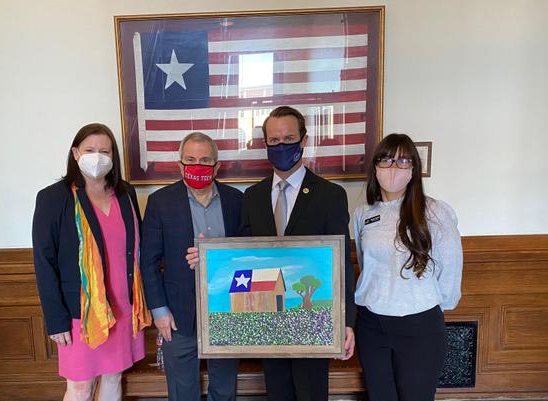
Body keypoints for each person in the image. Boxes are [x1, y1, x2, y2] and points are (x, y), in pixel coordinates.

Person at [239, 106, 356, 401]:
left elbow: (341, 264)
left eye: (289, 138)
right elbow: (243, 258)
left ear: (303, 140)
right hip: (268, 316)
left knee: (311, 394)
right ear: (265, 144)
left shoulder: (330, 195)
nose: (281, 146)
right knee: (277, 393)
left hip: (314, 316)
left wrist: (347, 321)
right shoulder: (252, 197)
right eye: (274, 141)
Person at [32, 123, 151, 401]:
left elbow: (137, 248)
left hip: (123, 308)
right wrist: (55, 319)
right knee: (81, 387)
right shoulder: (53, 198)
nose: (97, 156)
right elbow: (44, 262)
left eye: (104, 151)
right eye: (89, 150)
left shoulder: (125, 194)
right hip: (80, 313)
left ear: (113, 157)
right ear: (75, 153)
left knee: (113, 377)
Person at [353, 133, 463, 401]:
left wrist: (429, 301)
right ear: (376, 166)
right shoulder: (363, 213)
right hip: (371, 324)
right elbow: (364, 262)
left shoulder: (435, 212)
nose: (394, 168)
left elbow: (450, 269)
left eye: (403, 161)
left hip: (420, 324)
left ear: (413, 169)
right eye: (387, 160)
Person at [141, 132, 243, 401]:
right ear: (180, 164)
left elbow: (248, 254)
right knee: (182, 391)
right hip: (177, 314)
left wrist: (216, 255)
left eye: (205, 160)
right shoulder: (160, 202)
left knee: (224, 390)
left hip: (228, 309)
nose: (198, 165)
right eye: (191, 159)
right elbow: (148, 262)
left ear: (217, 166)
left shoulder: (237, 201)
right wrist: (159, 311)